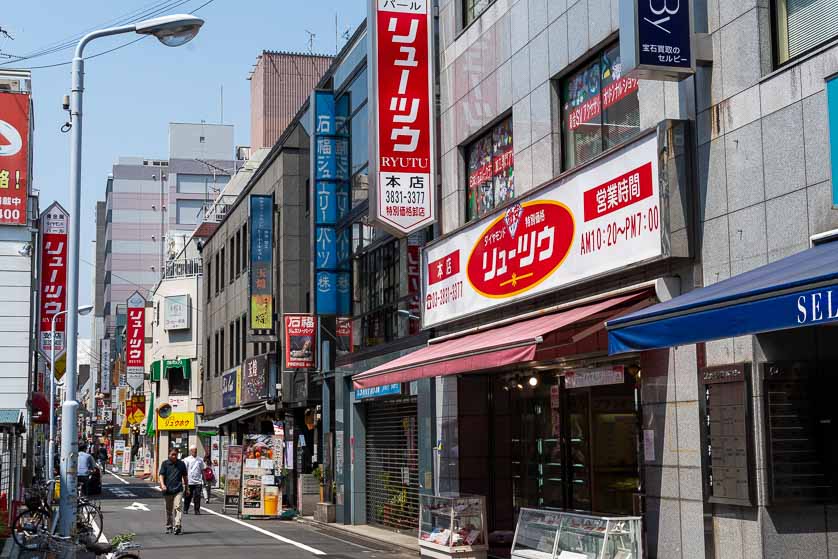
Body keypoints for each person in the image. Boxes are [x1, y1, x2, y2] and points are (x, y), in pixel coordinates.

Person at [159, 448, 188, 535]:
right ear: (169, 455)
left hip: (178, 489)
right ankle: (169, 525)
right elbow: (161, 475)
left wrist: (187, 487)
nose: (174, 456)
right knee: (169, 509)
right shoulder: (165, 464)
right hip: (167, 490)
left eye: (175, 454)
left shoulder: (181, 464)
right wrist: (163, 485)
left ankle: (178, 526)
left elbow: (185, 477)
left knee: (178, 507)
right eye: (172, 454)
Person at [182, 446, 205, 515]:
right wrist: (183, 480)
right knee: (188, 496)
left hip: (198, 481)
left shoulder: (200, 460)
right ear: (190, 451)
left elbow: (202, 470)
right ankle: (185, 509)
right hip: (189, 481)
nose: (195, 452)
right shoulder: (187, 460)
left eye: (196, 451)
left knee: (197, 496)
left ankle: (197, 510)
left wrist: (204, 479)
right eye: (193, 451)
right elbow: (184, 470)